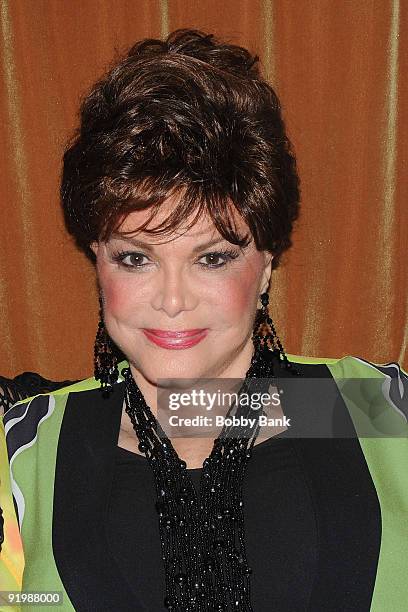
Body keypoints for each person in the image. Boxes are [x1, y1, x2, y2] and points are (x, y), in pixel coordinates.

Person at [0, 28, 407, 612]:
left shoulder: (377, 410)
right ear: (98, 259)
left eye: (212, 257)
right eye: (136, 257)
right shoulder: (25, 449)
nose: (171, 299)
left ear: (266, 263)